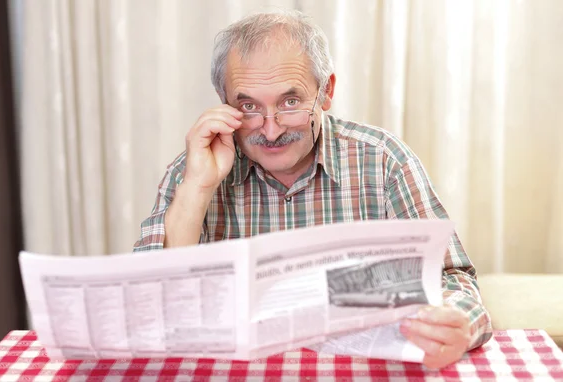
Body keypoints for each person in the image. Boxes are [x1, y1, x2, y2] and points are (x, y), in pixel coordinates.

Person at [133, 10, 492, 369]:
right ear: (223, 101)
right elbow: (145, 307)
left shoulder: (384, 161)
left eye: (290, 103)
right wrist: (197, 187)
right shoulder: (195, 168)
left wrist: (456, 322)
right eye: (248, 107)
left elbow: (453, 277)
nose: (270, 131)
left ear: (326, 92)